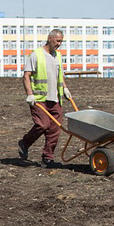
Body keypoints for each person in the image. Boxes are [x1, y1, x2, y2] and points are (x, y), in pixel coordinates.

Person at [18, 29, 74, 167]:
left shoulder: (58, 56)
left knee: (55, 129)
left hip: (55, 98)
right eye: (58, 41)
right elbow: (26, 75)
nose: (59, 44)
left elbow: (59, 75)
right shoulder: (36, 55)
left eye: (61, 41)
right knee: (43, 124)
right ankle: (25, 142)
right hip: (39, 99)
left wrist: (65, 88)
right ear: (50, 38)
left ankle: (47, 157)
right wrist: (30, 94)